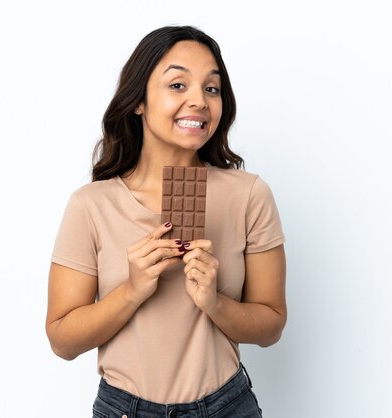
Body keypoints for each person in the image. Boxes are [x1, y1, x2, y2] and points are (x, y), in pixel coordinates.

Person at [46, 25, 287, 417]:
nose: (200, 101)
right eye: (178, 85)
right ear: (138, 100)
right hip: (124, 408)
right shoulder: (91, 205)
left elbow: (272, 325)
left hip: (226, 405)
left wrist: (215, 303)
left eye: (212, 88)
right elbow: (62, 340)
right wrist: (133, 289)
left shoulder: (248, 195)